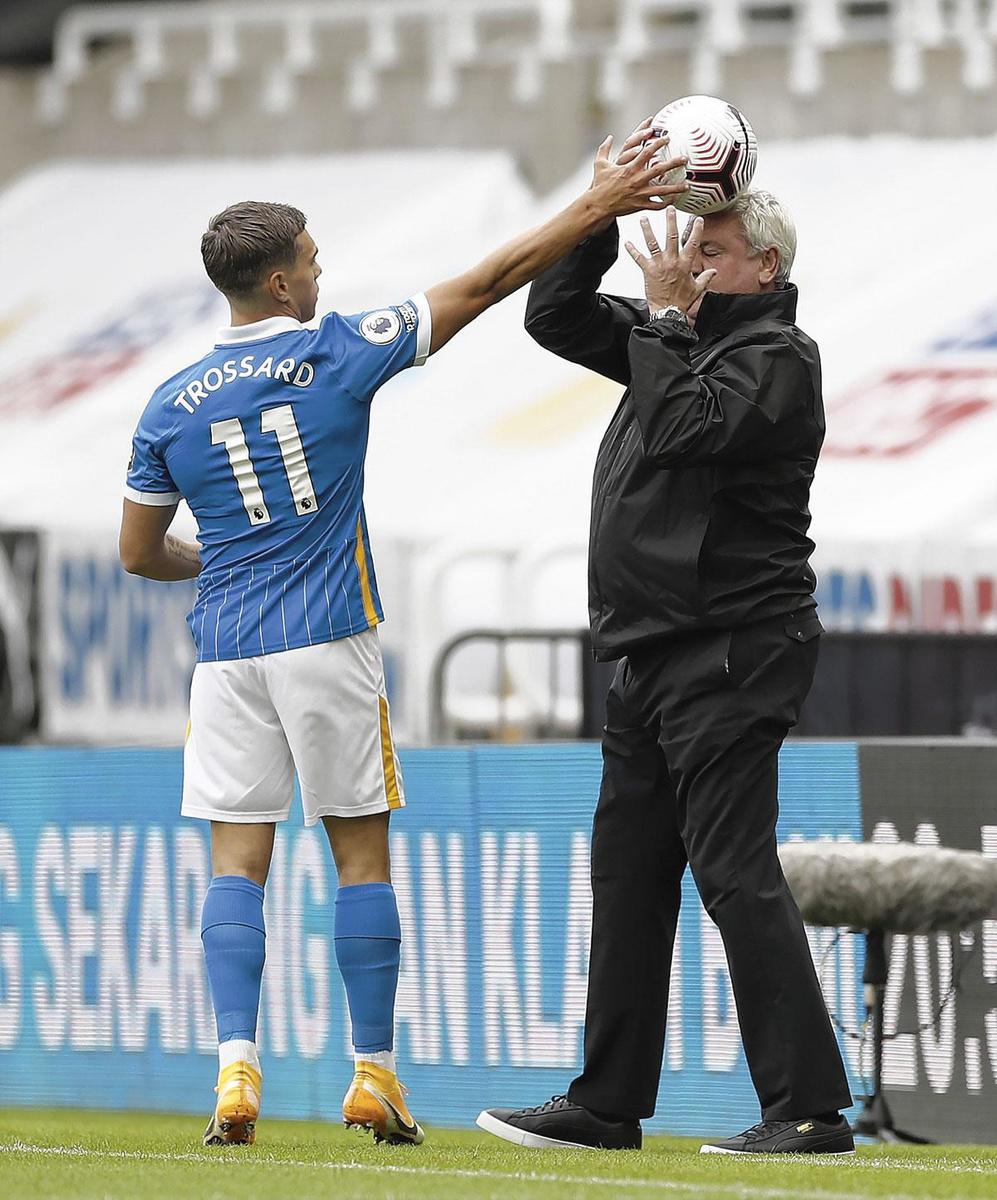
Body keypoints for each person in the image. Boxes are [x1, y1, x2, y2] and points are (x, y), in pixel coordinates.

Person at [118, 131, 686, 1148]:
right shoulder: (338, 347)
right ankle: (373, 1074)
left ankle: (235, 1071)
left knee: (234, 869)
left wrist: (219, 561)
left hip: (226, 653)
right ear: (284, 280)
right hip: (327, 635)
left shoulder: (167, 406)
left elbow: (137, 552)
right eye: (317, 261)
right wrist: (596, 203)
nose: (325, 274)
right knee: (360, 863)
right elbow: (492, 276)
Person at [477, 127, 854, 1156]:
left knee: (733, 872)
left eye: (712, 249)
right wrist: (598, 215)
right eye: (686, 246)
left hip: (732, 648)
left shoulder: (779, 357)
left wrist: (666, 321)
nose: (687, 262)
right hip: (649, 652)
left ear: (765, 268)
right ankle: (606, 1105)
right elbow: (552, 315)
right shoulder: (675, 331)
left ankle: (810, 1109)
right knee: (630, 876)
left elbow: (687, 426)